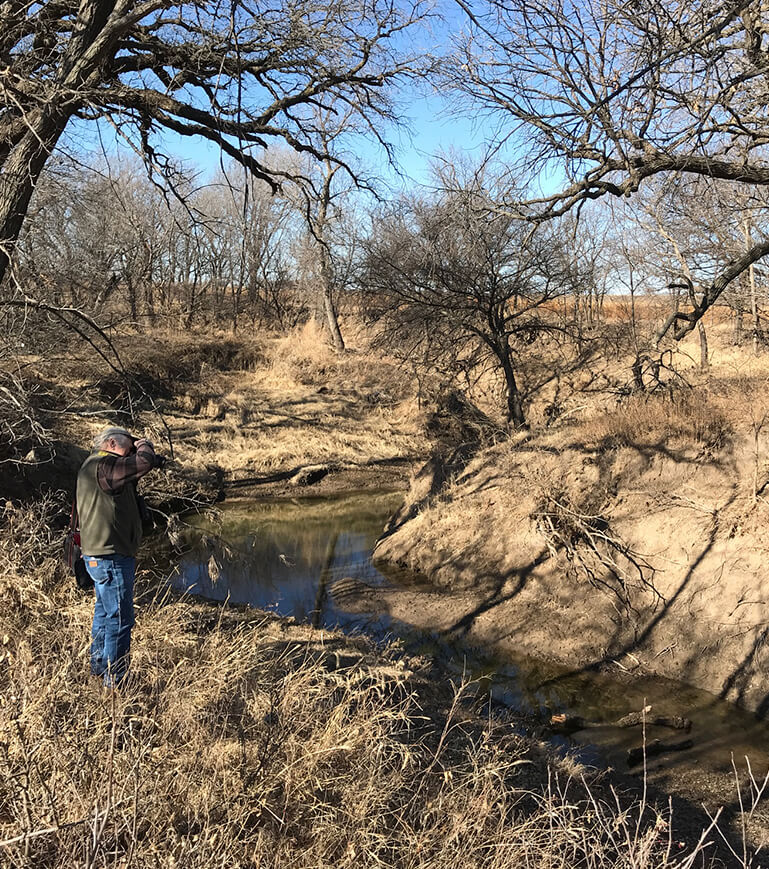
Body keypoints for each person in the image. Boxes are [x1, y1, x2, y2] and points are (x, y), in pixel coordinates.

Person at [76, 426, 164, 688]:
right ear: (112, 442)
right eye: (128, 446)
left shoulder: (94, 467)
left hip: (98, 556)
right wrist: (145, 444)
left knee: (104, 616)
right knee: (120, 620)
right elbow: (143, 462)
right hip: (110, 557)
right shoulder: (105, 466)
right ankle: (115, 684)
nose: (130, 452)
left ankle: (99, 670)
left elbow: (135, 472)